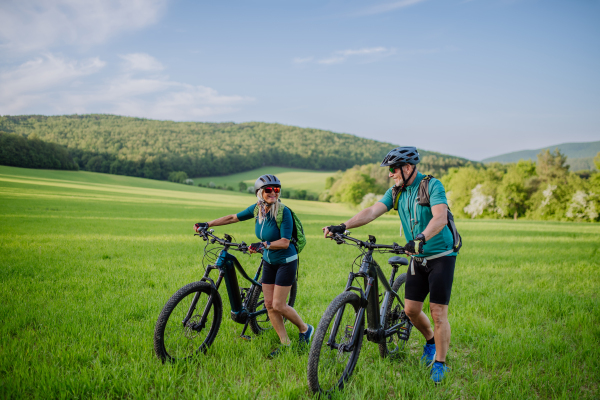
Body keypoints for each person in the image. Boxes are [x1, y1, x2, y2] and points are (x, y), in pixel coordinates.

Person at [322, 146, 457, 383]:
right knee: (411, 311)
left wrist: (421, 238)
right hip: (417, 258)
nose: (390, 174)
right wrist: (343, 226)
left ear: (408, 167)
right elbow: (373, 211)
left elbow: (440, 218)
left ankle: (441, 363)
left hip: (441, 256)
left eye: (393, 169)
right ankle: (429, 342)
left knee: (437, 313)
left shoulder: (431, 185)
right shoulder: (396, 192)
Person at [194, 174, 313, 357]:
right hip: (268, 260)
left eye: (277, 189)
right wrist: (207, 223)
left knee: (279, 305)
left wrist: (263, 245)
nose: (273, 193)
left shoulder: (283, 212)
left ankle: (305, 329)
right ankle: (285, 343)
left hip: (286, 261)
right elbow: (233, 217)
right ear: (259, 192)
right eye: (268, 190)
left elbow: (284, 242)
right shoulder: (258, 208)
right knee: (268, 304)